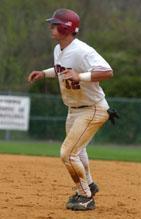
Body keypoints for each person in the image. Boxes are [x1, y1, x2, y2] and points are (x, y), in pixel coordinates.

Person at [28, 8, 113, 211]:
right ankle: (90, 184)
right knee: (78, 150)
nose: (51, 27)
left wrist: (81, 77)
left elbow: (108, 71)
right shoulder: (59, 49)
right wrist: (44, 73)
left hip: (93, 109)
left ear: (66, 28)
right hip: (74, 109)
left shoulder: (83, 50)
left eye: (55, 24)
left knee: (68, 154)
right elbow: (61, 70)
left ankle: (86, 196)